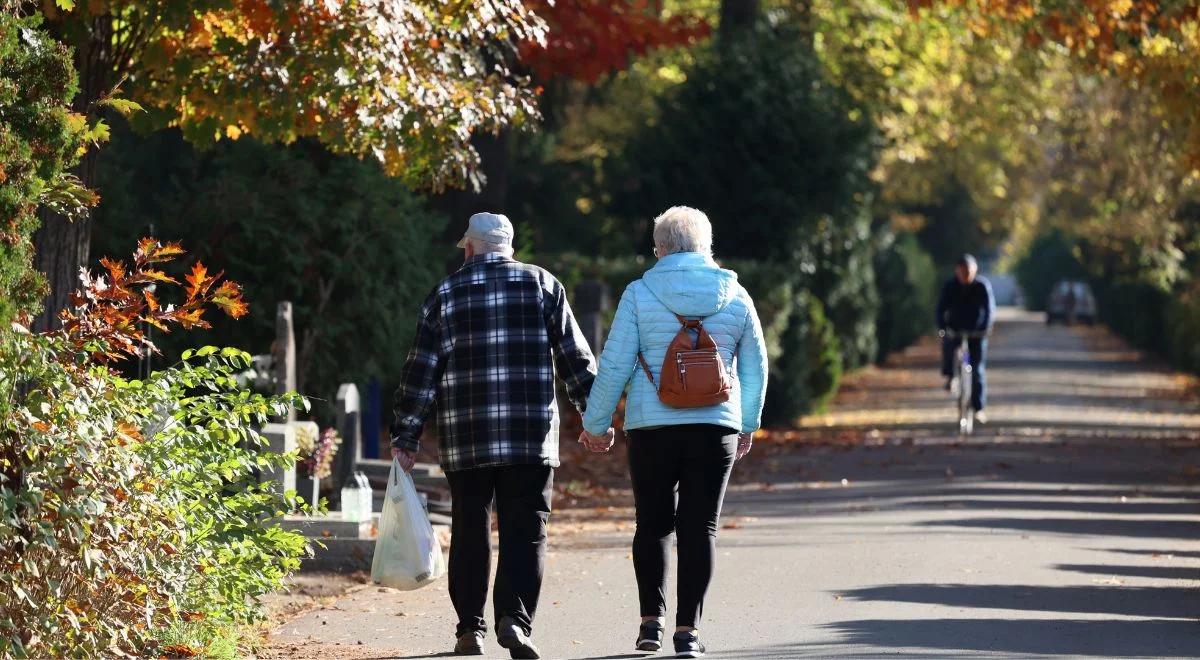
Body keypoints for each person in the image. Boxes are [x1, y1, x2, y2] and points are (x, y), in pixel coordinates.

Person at [390, 212, 601, 659]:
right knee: (527, 530)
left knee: (470, 527)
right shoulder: (544, 285)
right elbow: (574, 358)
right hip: (530, 436)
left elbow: (420, 372)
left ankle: (470, 627)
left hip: (467, 438)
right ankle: (514, 619)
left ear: (469, 248)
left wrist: (406, 435)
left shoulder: (445, 293)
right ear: (509, 248)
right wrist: (593, 416)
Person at [578, 206, 768, 659]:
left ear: (660, 248)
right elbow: (756, 366)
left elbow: (617, 363)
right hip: (715, 424)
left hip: (652, 425)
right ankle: (688, 633)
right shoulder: (736, 294)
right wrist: (747, 424)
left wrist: (596, 424)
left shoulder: (639, 293)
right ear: (707, 247)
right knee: (700, 527)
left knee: (653, 523)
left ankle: (650, 625)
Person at [936, 253, 995, 424]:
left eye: (968, 272)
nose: (965, 275)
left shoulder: (982, 287)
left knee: (976, 370)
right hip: (955, 330)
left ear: (975, 271)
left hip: (977, 333)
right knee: (948, 345)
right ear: (957, 271)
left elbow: (989, 310)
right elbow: (940, 308)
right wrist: (942, 326)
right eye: (962, 272)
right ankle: (950, 376)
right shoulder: (950, 286)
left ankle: (978, 408)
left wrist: (986, 327)